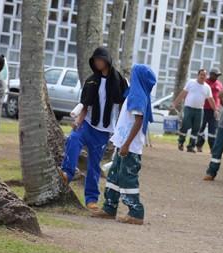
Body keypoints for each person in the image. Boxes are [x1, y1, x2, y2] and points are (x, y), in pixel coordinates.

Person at [61, 47, 128, 211]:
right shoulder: (91, 80)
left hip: (104, 130)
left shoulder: (119, 80)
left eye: (100, 60)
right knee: (73, 139)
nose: (98, 63)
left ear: (107, 60)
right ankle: (67, 173)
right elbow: (86, 103)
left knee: (94, 164)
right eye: (95, 60)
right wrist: (78, 120)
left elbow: (122, 105)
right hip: (87, 124)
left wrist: (119, 130)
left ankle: (91, 199)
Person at [93, 64, 157, 225]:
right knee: (114, 175)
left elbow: (139, 120)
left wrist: (127, 144)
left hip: (130, 146)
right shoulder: (133, 93)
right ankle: (109, 208)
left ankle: (136, 212)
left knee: (127, 178)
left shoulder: (137, 96)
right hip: (123, 144)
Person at [172, 69, 218, 153]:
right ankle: (181, 142)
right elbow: (183, 93)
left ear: (206, 76)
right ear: (198, 75)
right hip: (188, 108)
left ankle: (191, 146)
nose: (202, 76)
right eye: (201, 74)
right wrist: (175, 103)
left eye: (204, 75)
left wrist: (215, 110)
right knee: (185, 125)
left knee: (196, 128)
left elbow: (211, 100)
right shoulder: (191, 82)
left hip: (199, 110)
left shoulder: (207, 87)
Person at [195, 68, 223, 153]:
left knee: (213, 130)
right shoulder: (205, 82)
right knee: (201, 128)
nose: (217, 77)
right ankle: (199, 145)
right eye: (215, 75)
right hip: (204, 109)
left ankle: (212, 148)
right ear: (211, 74)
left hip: (215, 111)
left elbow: (220, 97)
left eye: (218, 75)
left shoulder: (219, 84)